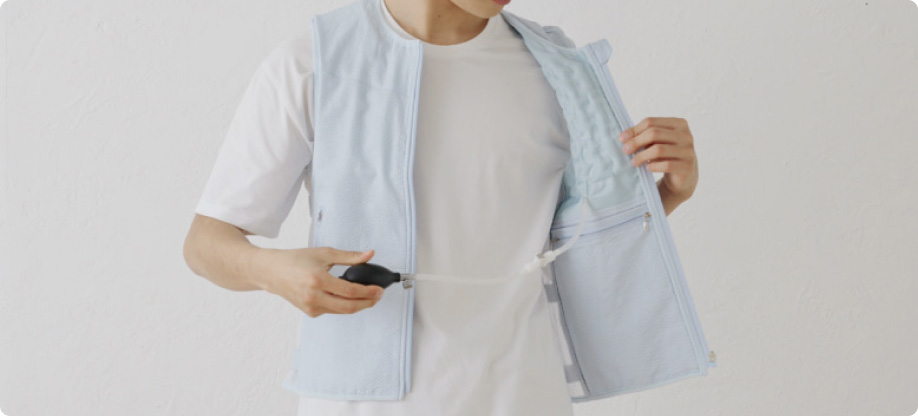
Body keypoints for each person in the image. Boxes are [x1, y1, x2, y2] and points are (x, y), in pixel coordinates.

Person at [183, 0, 700, 414]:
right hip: (361, 404)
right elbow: (206, 243)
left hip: (523, 397)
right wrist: (275, 273)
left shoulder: (559, 71)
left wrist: (669, 193)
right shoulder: (314, 62)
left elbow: (576, 243)